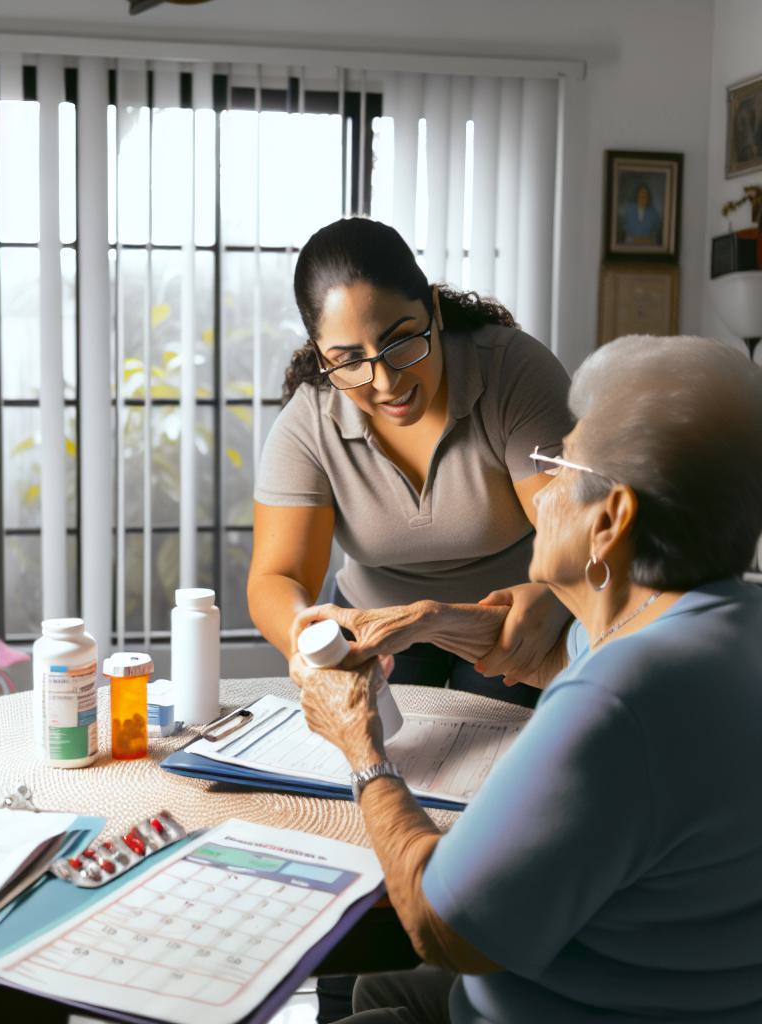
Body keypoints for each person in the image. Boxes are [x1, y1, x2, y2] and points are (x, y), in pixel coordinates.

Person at [290, 334, 762, 1023]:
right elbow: (557, 650)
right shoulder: (722, 622)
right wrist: (425, 620)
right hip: (696, 993)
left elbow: (439, 924)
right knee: (382, 990)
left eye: (561, 463)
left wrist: (362, 747)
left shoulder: (619, 699)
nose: (542, 488)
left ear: (612, 520)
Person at [248, 216, 573, 707]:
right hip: (378, 624)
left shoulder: (515, 373)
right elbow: (279, 577)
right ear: (320, 356)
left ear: (434, 310)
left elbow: (575, 533)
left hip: (507, 621)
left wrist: (556, 594)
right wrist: (304, 639)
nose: (385, 382)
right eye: (349, 360)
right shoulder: (309, 423)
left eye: (400, 341)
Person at [617, 182, 663, 246]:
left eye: (645, 195)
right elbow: (625, 230)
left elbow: (655, 232)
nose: (643, 197)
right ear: (637, 196)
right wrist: (633, 239)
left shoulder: (654, 213)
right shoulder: (629, 210)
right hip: (630, 245)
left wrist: (647, 239)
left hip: (648, 246)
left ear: (648, 197)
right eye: (641, 195)